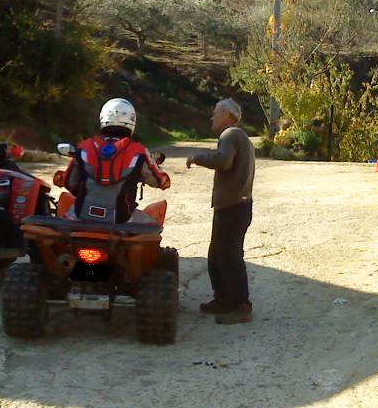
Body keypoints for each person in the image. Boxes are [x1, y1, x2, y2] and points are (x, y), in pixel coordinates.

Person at [186, 98, 255, 325]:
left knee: (229, 256)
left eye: (215, 113)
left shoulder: (230, 135)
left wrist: (197, 157)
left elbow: (224, 161)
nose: (212, 117)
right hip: (234, 206)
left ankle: (241, 306)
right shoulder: (238, 136)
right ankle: (223, 300)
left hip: (233, 207)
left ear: (227, 115)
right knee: (217, 256)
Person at [64, 98, 170, 224]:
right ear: (132, 121)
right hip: (121, 220)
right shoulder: (139, 151)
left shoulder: (84, 147)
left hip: (80, 216)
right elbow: (160, 181)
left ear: (102, 117)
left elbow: (70, 183)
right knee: (153, 225)